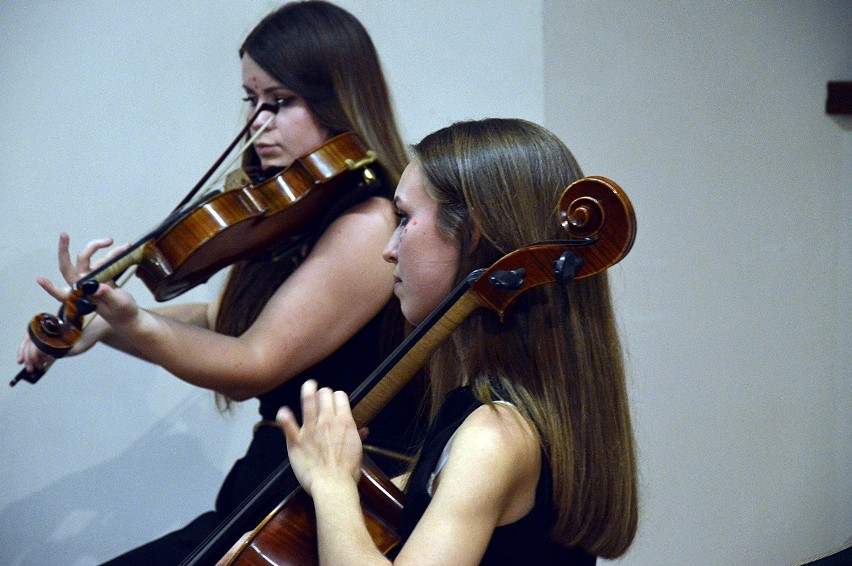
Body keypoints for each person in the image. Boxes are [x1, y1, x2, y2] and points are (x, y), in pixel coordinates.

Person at [17, 1, 422, 564]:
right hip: (270, 483)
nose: (258, 123)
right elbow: (223, 322)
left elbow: (253, 363)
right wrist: (100, 325)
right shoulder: (302, 205)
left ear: (337, 100)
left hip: (319, 499)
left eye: (280, 103)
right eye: (251, 101)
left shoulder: (369, 221)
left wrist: (132, 322)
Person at [269, 118, 639, 565]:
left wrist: (332, 484)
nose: (389, 248)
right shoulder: (500, 418)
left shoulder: (495, 438)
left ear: (472, 234)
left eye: (404, 218)